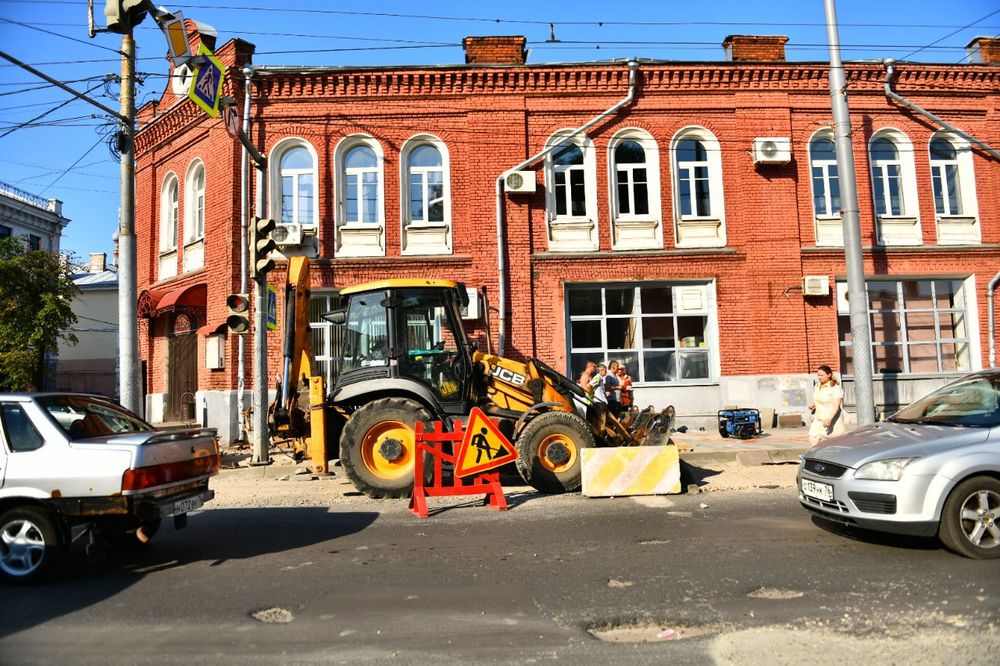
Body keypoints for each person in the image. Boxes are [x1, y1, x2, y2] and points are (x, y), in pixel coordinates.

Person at [807, 364, 847, 445]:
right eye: (818, 375)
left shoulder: (835, 388)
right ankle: (812, 457)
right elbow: (819, 400)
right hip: (818, 419)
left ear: (829, 375)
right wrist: (813, 405)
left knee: (835, 444)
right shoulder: (817, 386)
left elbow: (837, 406)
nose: (819, 377)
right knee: (813, 439)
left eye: (822, 375)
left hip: (831, 420)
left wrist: (829, 418)